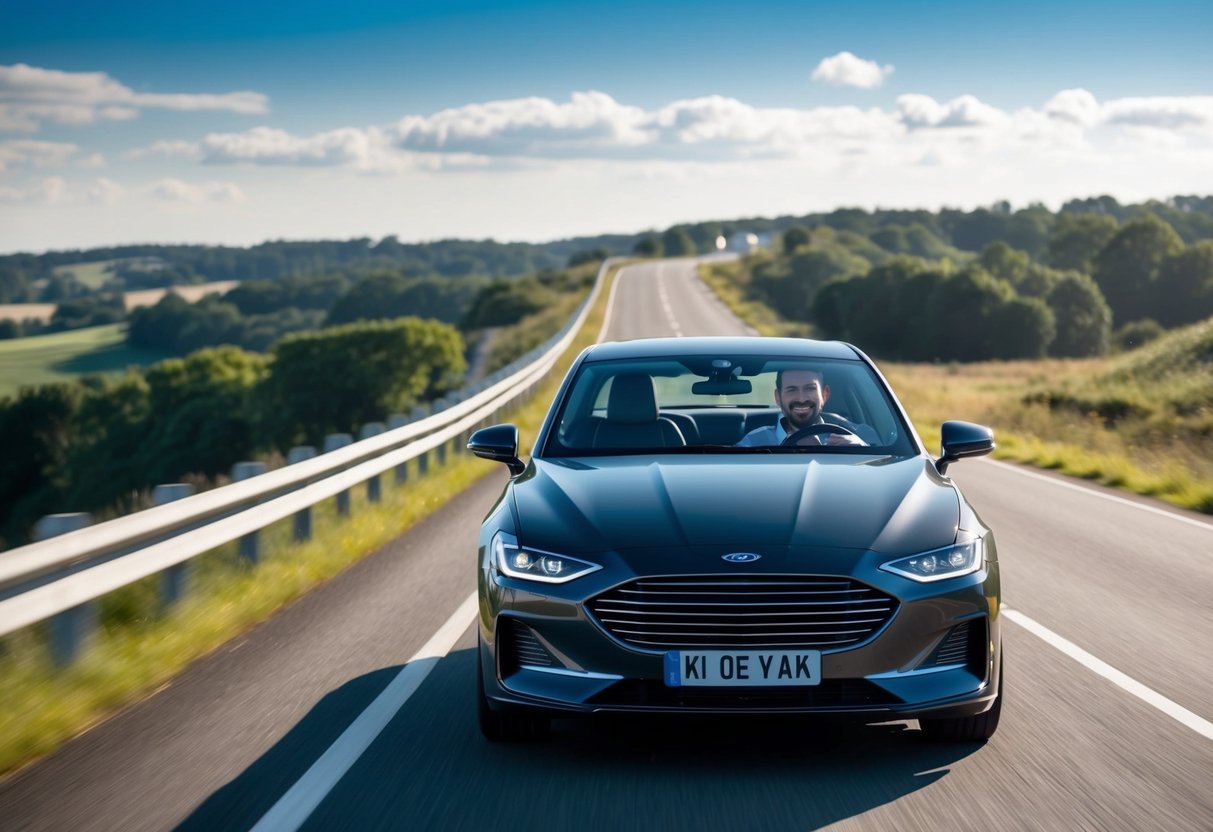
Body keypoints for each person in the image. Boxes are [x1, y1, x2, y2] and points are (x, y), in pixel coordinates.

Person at [736, 367, 877, 447]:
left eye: (809, 389)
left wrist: (861, 449)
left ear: (824, 394)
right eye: (792, 390)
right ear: (777, 397)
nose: (802, 398)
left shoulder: (859, 435)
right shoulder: (753, 443)